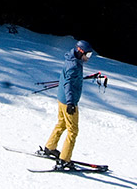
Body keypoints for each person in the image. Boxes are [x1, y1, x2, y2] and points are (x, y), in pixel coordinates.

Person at [38, 40, 101, 171]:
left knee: (61, 123)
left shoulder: (72, 59)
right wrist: (71, 102)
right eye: (87, 55)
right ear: (80, 52)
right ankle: (64, 160)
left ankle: (50, 147)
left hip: (61, 99)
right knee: (73, 131)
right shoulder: (74, 66)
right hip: (68, 102)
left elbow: (68, 80)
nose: (88, 58)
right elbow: (68, 84)